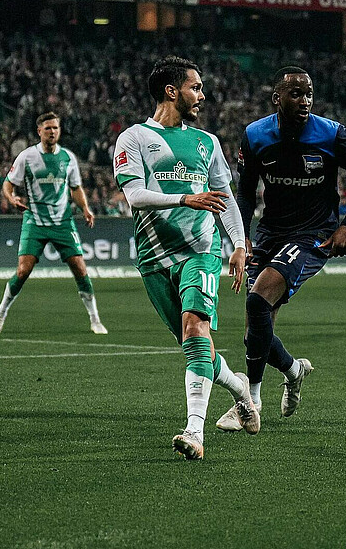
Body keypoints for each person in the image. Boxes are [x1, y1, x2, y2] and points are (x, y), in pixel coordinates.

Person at [114, 56, 260, 460]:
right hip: (154, 257)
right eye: (195, 87)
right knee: (195, 346)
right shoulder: (134, 138)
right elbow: (135, 195)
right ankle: (239, 389)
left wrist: (238, 244)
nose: (202, 94)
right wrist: (186, 197)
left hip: (202, 250)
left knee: (196, 329)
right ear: (171, 91)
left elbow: (225, 197)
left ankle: (194, 431)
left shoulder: (207, 142)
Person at [216, 66, 346, 431]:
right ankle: (293, 369)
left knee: (257, 301)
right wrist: (241, 238)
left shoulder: (335, 135)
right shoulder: (255, 136)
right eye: (295, 94)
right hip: (271, 232)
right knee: (255, 331)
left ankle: (249, 401)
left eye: (308, 94)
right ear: (277, 98)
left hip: (313, 235)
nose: (304, 101)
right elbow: (245, 190)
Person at [0, 112, 107, 334]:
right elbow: (7, 183)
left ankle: (95, 319)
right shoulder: (27, 157)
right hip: (35, 221)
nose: (52, 132)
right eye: (48, 128)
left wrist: (85, 208)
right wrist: (11, 197)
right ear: (39, 131)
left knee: (80, 269)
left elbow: (75, 188)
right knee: (23, 271)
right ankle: (1, 313)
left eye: (55, 128)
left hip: (62, 221)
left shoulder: (68, 158)